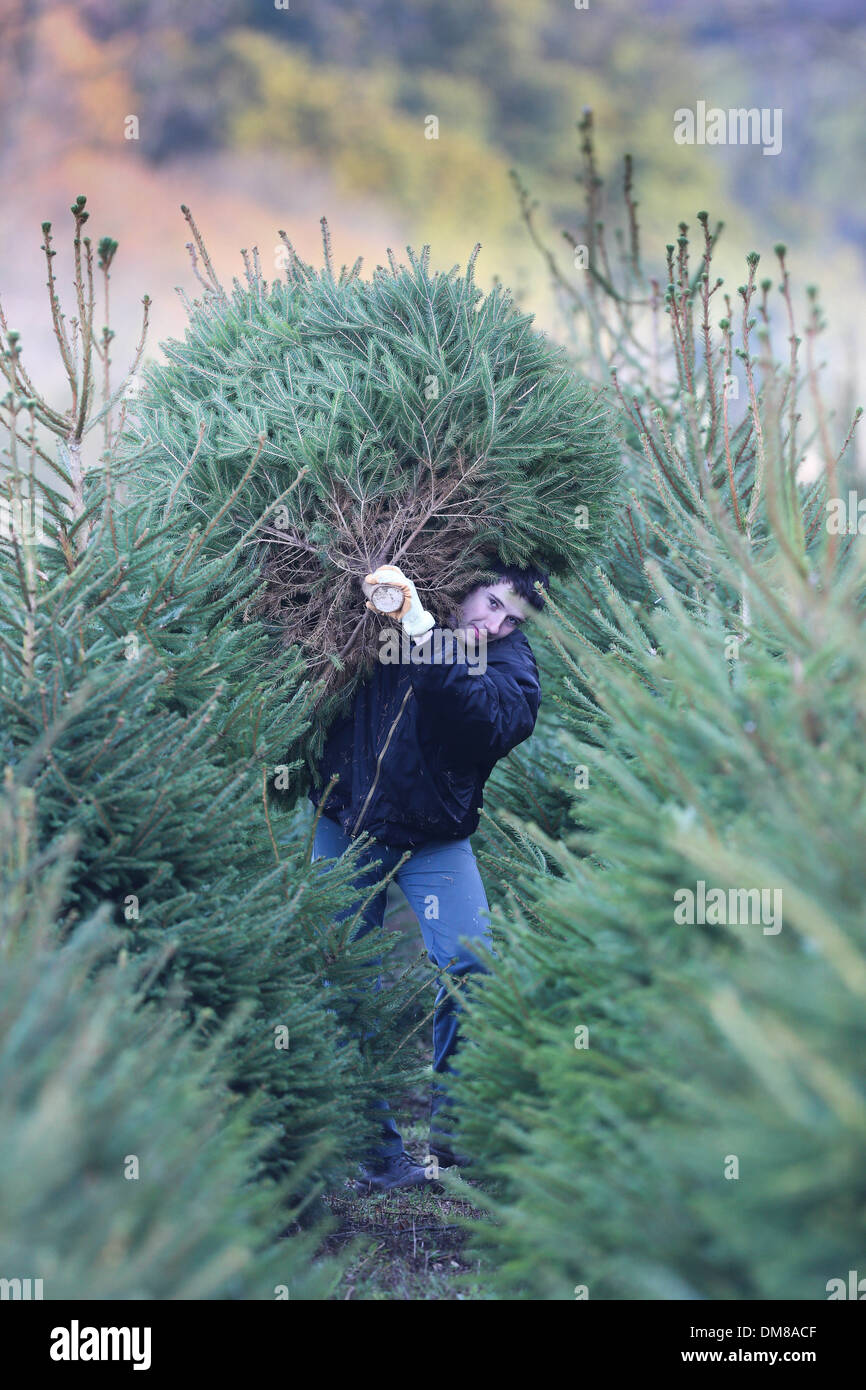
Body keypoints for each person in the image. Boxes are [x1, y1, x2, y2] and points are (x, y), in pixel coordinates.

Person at [309, 559, 546, 1192]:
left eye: (511, 620)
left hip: (435, 837)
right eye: (491, 603)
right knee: (347, 976)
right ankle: (378, 1153)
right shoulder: (373, 614)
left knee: (470, 963)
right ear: (466, 581)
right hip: (345, 822)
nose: (494, 625)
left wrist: (416, 625)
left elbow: (488, 717)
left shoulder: (505, 664)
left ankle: (455, 1138)